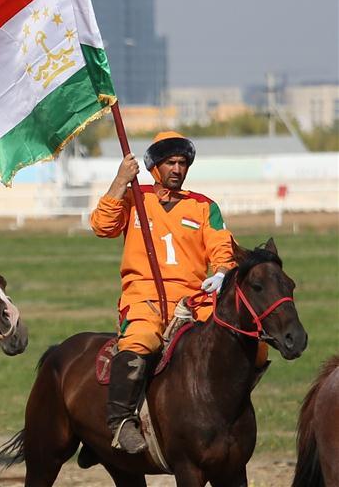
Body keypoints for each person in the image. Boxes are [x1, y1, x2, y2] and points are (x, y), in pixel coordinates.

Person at [89, 132, 238, 454]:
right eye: (170, 162)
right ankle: (120, 422)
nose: (177, 169)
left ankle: (230, 415)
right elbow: (102, 226)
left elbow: (221, 246)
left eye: (183, 163)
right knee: (140, 340)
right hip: (144, 296)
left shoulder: (203, 206)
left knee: (242, 344)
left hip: (194, 299)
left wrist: (223, 272)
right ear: (154, 166)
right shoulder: (134, 197)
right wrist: (119, 181)